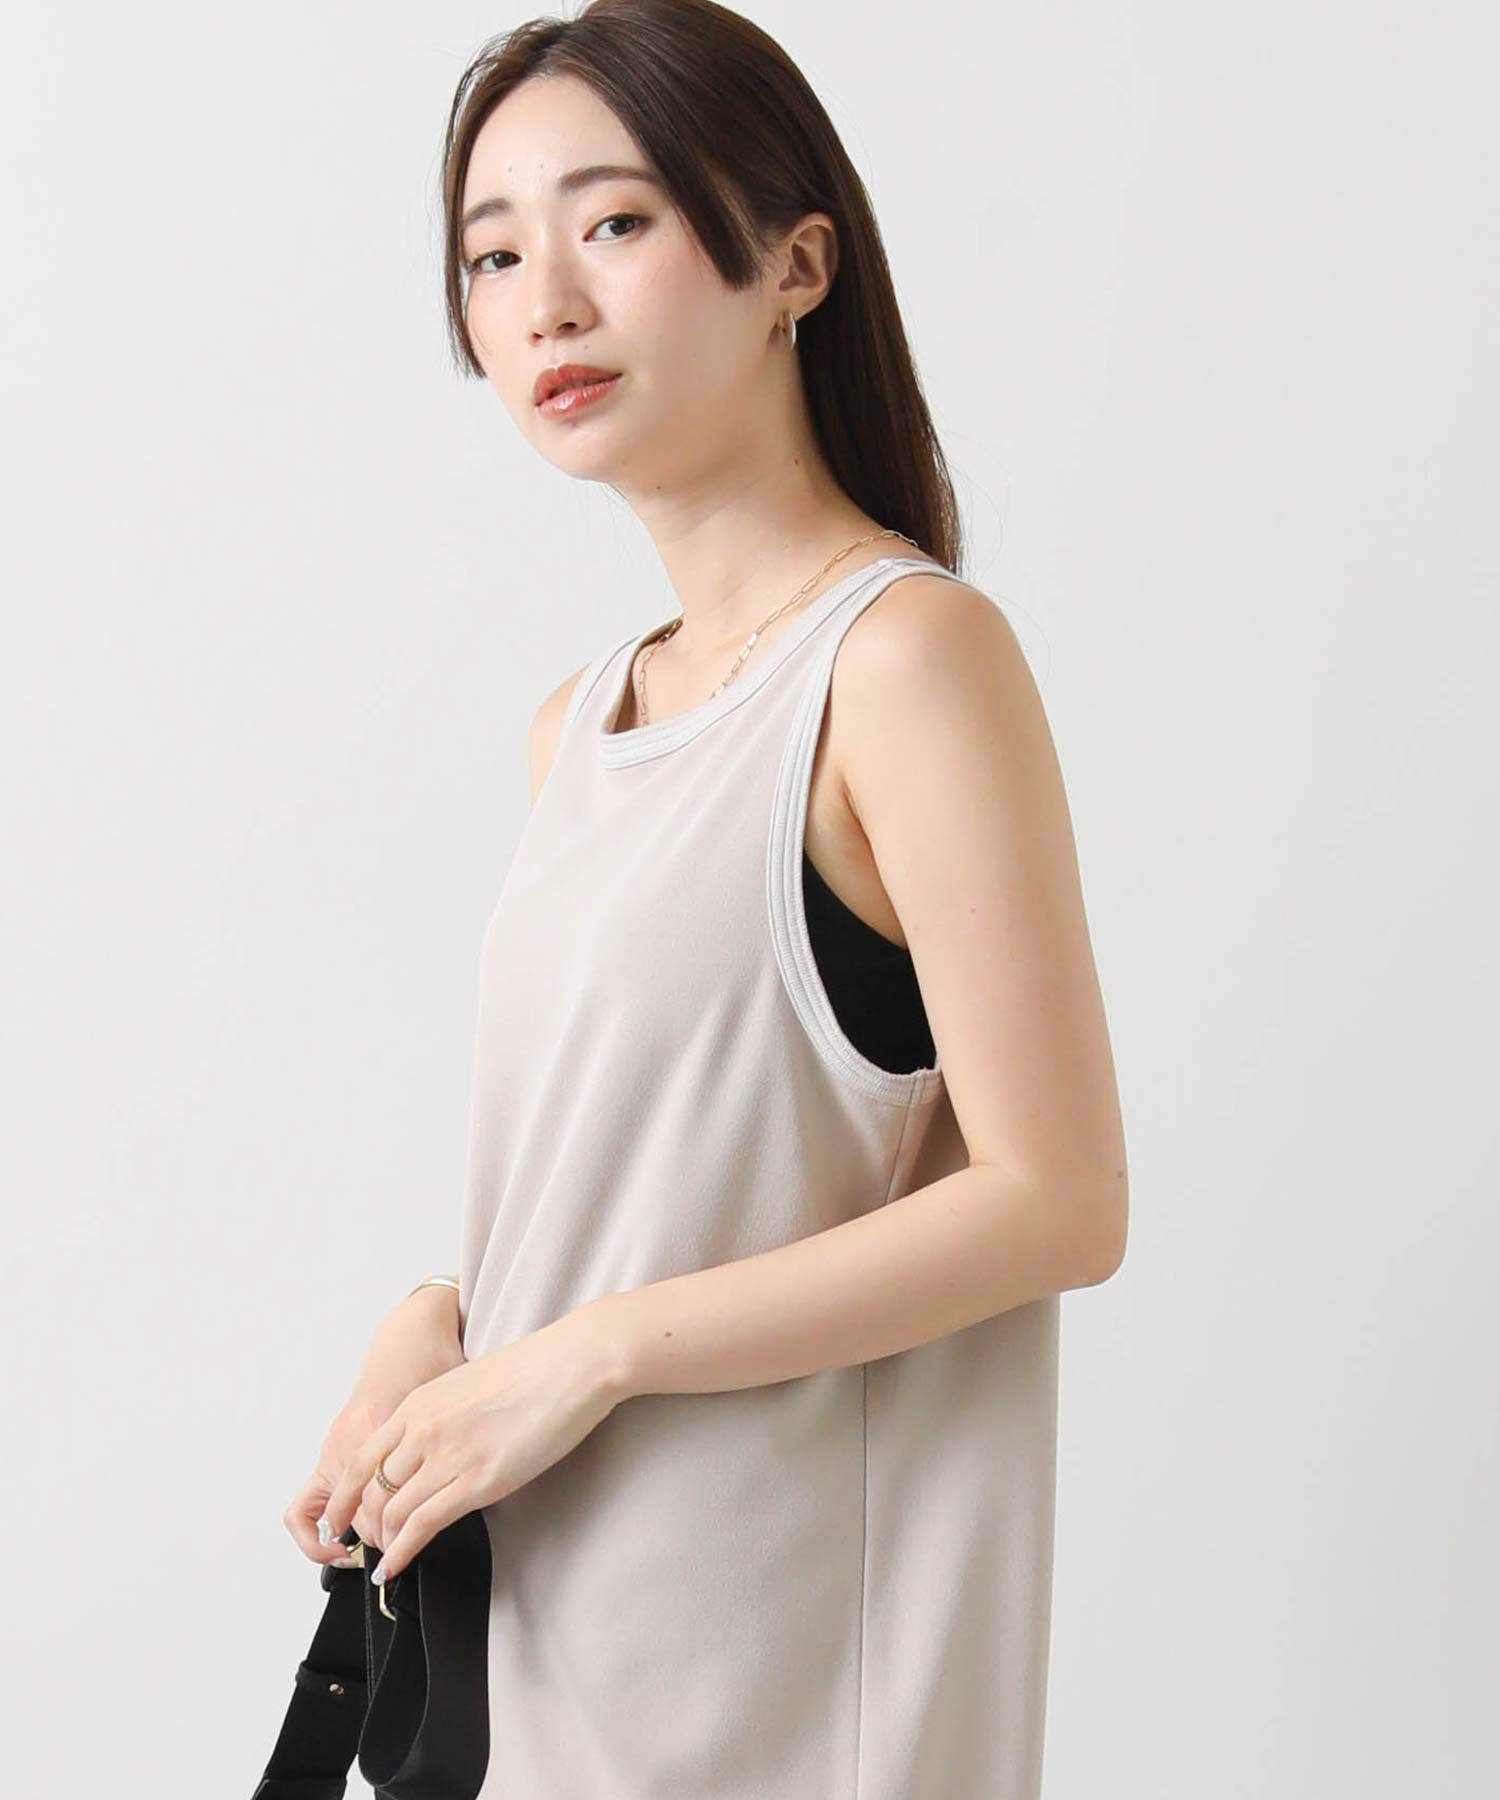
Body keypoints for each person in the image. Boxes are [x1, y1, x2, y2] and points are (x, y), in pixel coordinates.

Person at [283, 3, 1128, 1794]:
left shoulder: (904, 665)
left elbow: (1057, 1199)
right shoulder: (578, 727)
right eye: (492, 255)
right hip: (554, 1659)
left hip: (790, 1690)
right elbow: (670, 1161)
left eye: (615, 222)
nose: (545, 303)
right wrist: (446, 1326)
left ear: (794, 266)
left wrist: (583, 1362)